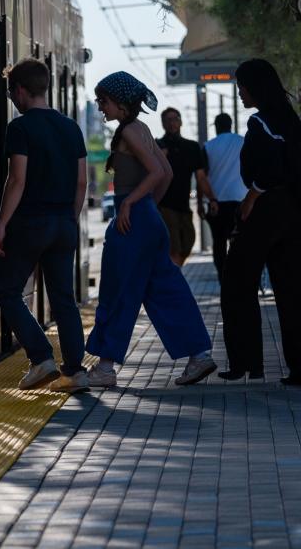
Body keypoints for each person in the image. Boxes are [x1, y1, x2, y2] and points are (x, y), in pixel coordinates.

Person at [85, 71, 216, 388]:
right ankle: (199, 355)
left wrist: (130, 204)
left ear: (120, 102)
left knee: (117, 290)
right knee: (167, 290)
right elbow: (167, 173)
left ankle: (104, 367)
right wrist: (147, 207)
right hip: (149, 221)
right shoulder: (141, 128)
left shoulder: (129, 131)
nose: (101, 107)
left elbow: (158, 171)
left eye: (104, 101)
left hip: (133, 222)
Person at [218, 59, 301, 386]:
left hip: (266, 210)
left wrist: (251, 198)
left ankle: (245, 362)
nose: (239, 93)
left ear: (255, 87)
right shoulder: (291, 121)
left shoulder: (260, 123)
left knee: (236, 283)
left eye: (242, 87)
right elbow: (300, 172)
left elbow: (269, 170)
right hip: (294, 210)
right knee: (294, 293)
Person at [0, 58, 89, 393]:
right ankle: (75, 372)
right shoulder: (71, 127)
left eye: (10, 92)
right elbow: (81, 183)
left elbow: (17, 179)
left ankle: (41, 358)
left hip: (30, 221)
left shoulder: (20, 127)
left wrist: (1, 224)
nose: (12, 99)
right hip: (64, 222)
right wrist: (70, 218)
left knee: (6, 290)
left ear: (20, 90)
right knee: (64, 298)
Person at [156, 107, 219, 266]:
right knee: (174, 248)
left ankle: (172, 278)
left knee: (187, 244)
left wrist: (211, 199)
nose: (172, 123)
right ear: (163, 123)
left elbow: (201, 177)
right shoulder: (157, 146)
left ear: (181, 122)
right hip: (164, 205)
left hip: (184, 206)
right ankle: (173, 285)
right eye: (168, 120)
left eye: (175, 119)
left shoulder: (191, 147)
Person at [202, 112, 247, 284]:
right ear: (231, 124)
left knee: (219, 242)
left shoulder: (208, 146)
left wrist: (201, 202)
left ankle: (223, 276)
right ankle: (240, 276)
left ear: (216, 126)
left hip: (217, 202)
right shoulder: (243, 142)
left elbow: (202, 176)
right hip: (241, 200)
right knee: (240, 241)